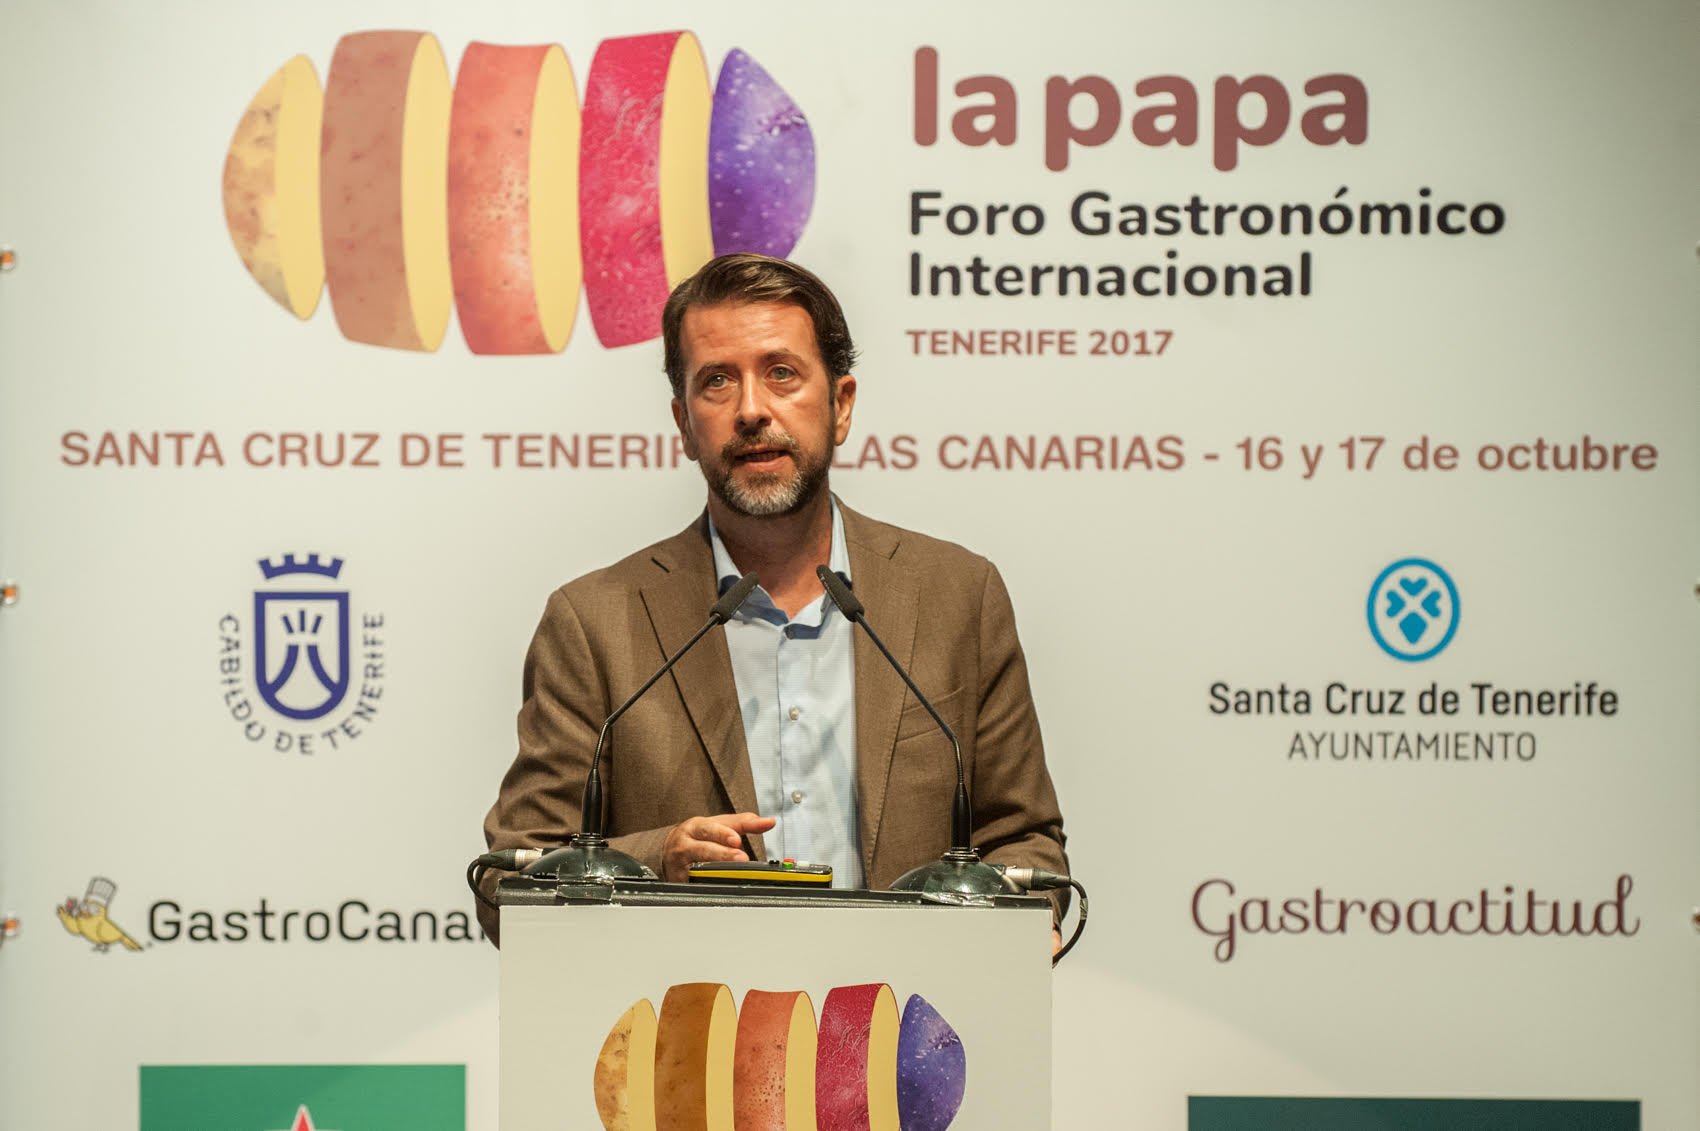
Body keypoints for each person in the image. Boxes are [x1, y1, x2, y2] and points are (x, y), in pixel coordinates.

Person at [479, 254, 1067, 946]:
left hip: (907, 1031)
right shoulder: (595, 622)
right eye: (717, 382)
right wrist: (653, 861)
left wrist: (1022, 932)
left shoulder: (956, 597)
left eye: (781, 373)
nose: (751, 409)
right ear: (683, 421)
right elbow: (507, 884)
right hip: (689, 1032)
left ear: (841, 404)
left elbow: (1027, 848)